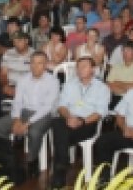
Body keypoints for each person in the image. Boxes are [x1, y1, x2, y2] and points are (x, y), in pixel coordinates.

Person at [0, 51, 59, 178]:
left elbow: (47, 107)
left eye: (39, 63)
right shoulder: (23, 79)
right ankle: (8, 159)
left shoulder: (53, 81)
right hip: (23, 112)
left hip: (44, 114)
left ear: (45, 65)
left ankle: (32, 161)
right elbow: (17, 101)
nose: (35, 66)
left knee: (34, 132)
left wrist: (27, 123)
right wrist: (17, 119)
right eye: (32, 63)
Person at [51, 57, 110, 188]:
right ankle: (62, 165)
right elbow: (61, 106)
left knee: (60, 135)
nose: (80, 69)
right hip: (68, 119)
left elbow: (100, 112)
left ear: (93, 70)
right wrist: (68, 117)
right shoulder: (70, 84)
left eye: (84, 66)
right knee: (57, 123)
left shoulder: (102, 88)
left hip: (87, 123)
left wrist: (81, 121)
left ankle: (60, 170)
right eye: (78, 67)